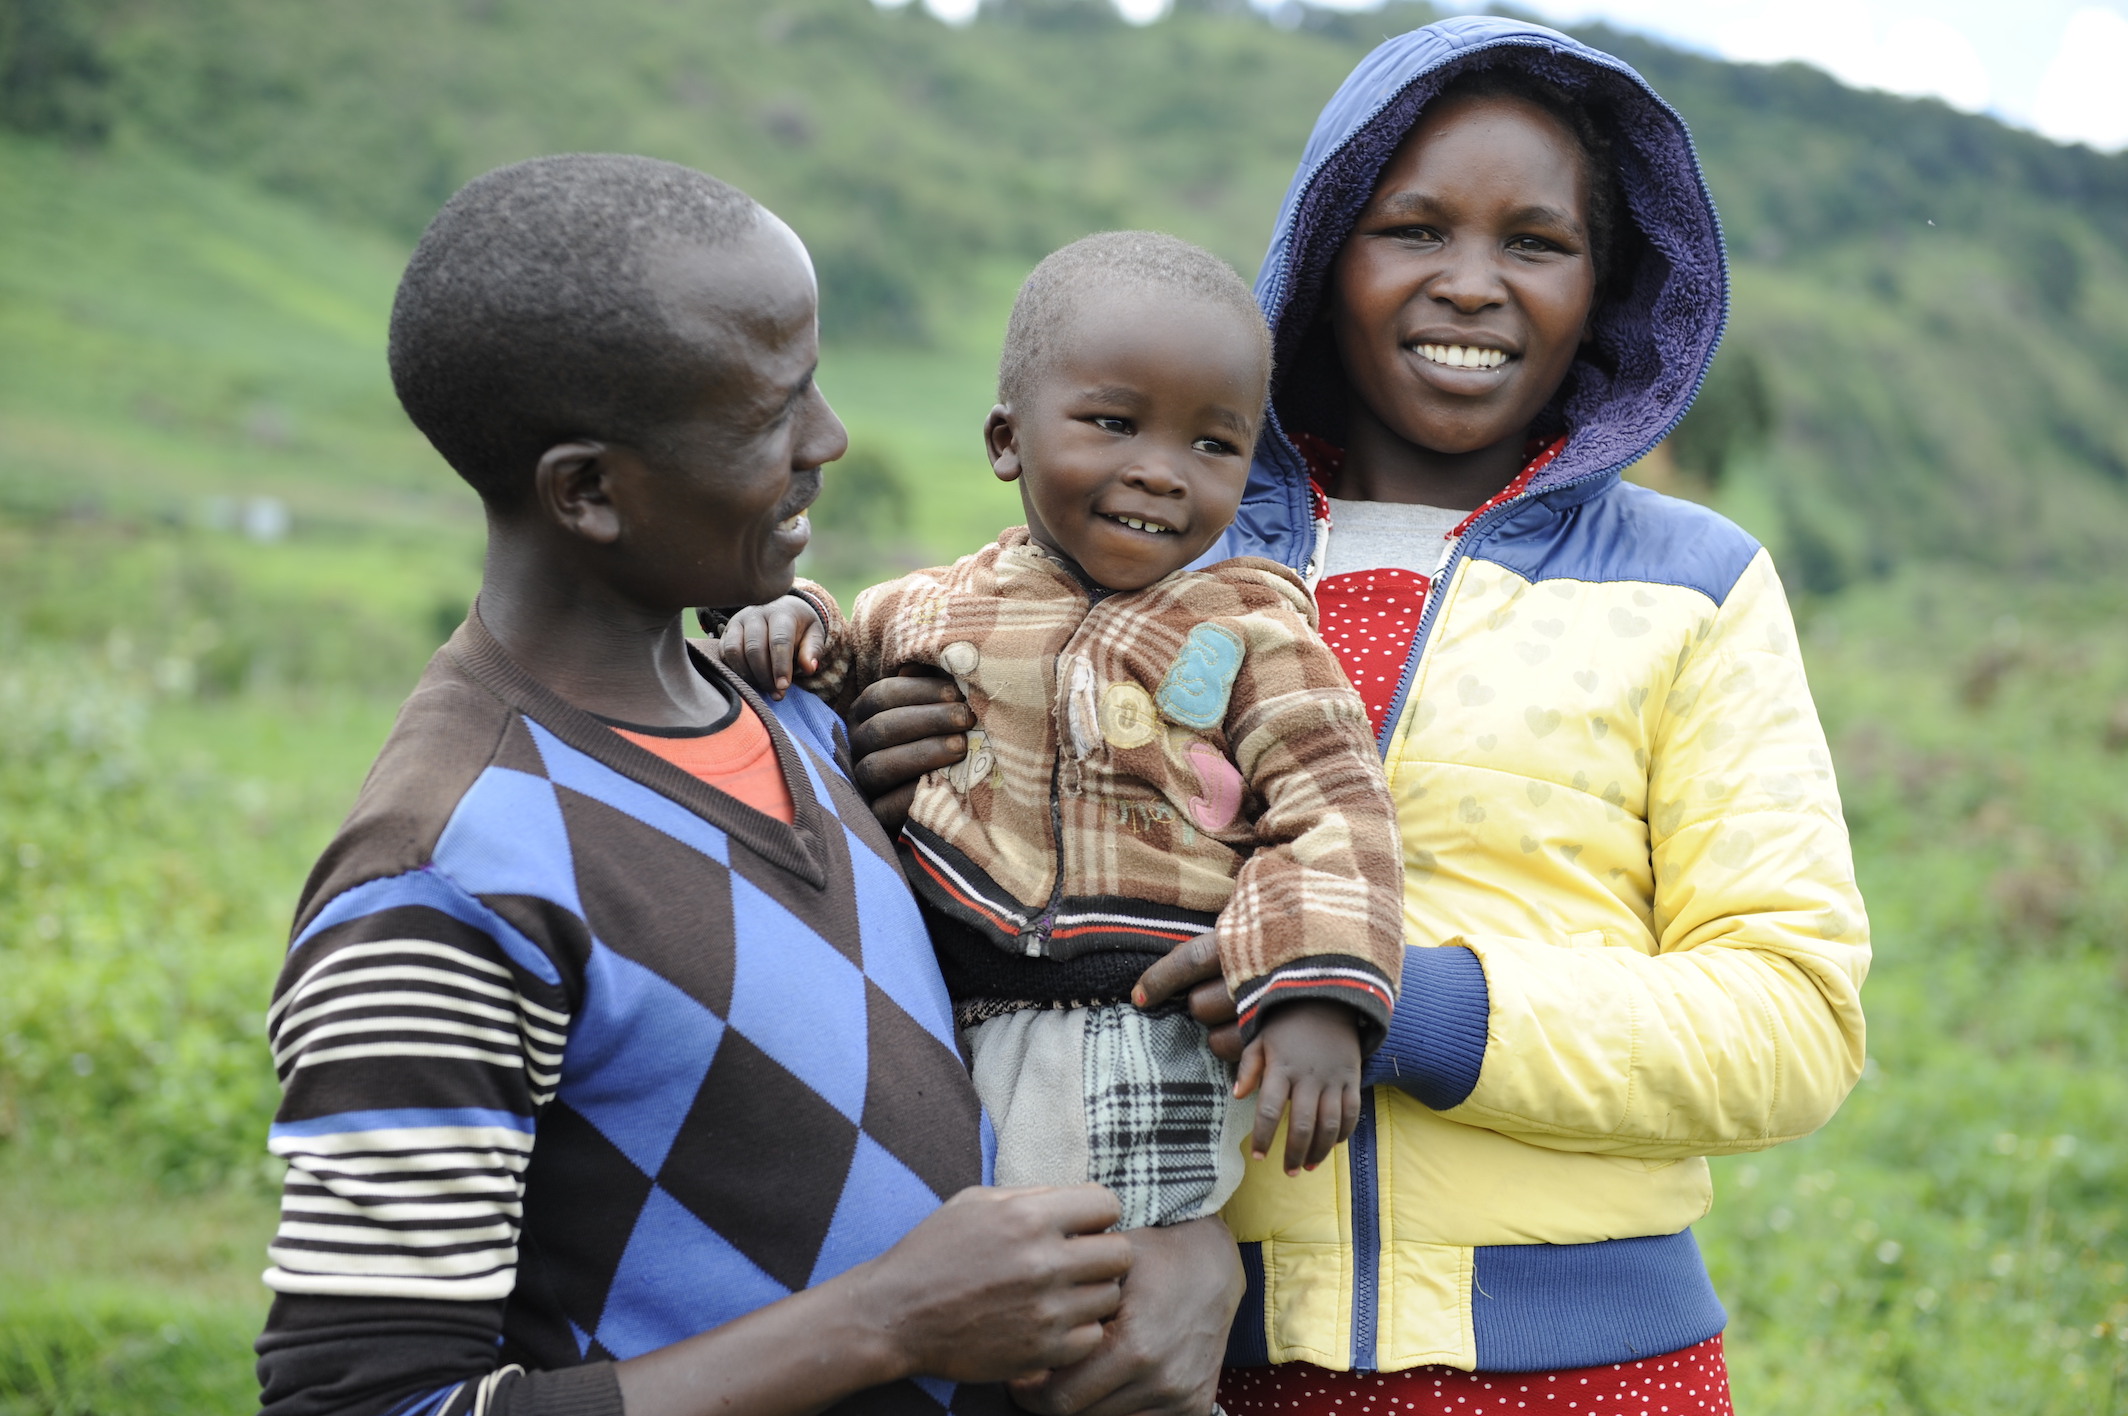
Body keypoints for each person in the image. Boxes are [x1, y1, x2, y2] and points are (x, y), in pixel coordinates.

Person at [850, 18, 1872, 1414]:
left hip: (1587, 1370)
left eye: (1536, 242)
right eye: (1411, 229)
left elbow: (1793, 1018)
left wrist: (1401, 1001)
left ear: (1607, 286)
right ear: (1327, 257)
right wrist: (885, 774)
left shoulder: (1692, 586)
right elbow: (996, 925)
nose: (1470, 286)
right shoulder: (1151, 558)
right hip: (1180, 1349)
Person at [251, 154, 1242, 1416]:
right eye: (767, 414)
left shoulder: (802, 718)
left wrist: (1190, 1249)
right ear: (590, 491)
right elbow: (358, 1404)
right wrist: (886, 1321)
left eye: (815, 380)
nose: (829, 439)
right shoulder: (448, 878)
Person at [718, 232, 1405, 1224]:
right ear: (1007, 441)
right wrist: (790, 622)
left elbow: (1335, 811)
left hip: (1140, 1033)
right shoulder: (943, 605)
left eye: (1212, 445)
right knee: (936, 1275)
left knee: (1102, 1299)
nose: (1163, 472)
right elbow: (840, 647)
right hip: (942, 1013)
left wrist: (1317, 990)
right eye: (1115, 423)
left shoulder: (1254, 635)